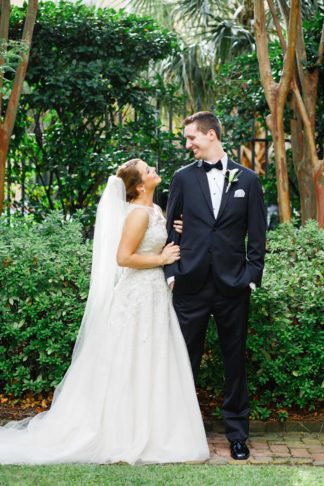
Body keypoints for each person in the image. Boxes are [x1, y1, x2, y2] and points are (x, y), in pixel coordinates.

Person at [0, 159, 209, 465]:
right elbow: (124, 257)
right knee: (130, 358)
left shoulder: (156, 210)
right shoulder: (137, 214)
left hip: (155, 295)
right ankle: (123, 433)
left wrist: (178, 229)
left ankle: (156, 430)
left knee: (153, 358)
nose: (154, 171)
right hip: (137, 294)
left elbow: (160, 237)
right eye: (148, 170)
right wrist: (161, 259)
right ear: (139, 186)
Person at [165, 112, 267, 460]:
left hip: (232, 287)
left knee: (234, 361)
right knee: (183, 361)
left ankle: (237, 434)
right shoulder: (181, 178)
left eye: (192, 137)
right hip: (190, 285)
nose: (187, 143)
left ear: (211, 135)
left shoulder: (248, 180)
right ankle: (179, 432)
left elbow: (258, 235)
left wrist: (251, 278)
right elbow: (171, 230)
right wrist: (173, 273)